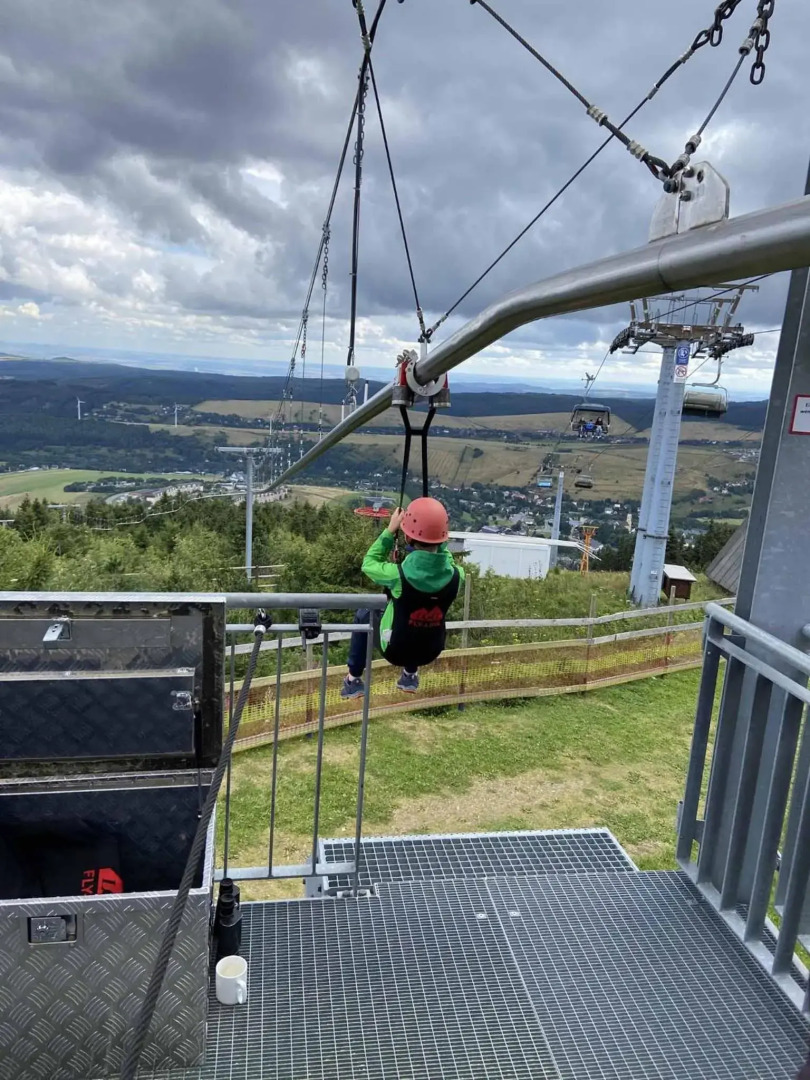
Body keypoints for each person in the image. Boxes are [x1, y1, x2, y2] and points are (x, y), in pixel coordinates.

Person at [342, 497, 464, 698]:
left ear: (408, 538)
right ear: (443, 539)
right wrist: (437, 538)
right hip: (430, 651)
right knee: (418, 621)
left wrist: (390, 531)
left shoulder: (398, 576)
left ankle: (353, 678)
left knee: (365, 613)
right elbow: (446, 560)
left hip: (395, 649)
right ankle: (410, 674)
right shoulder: (457, 576)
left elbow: (369, 563)